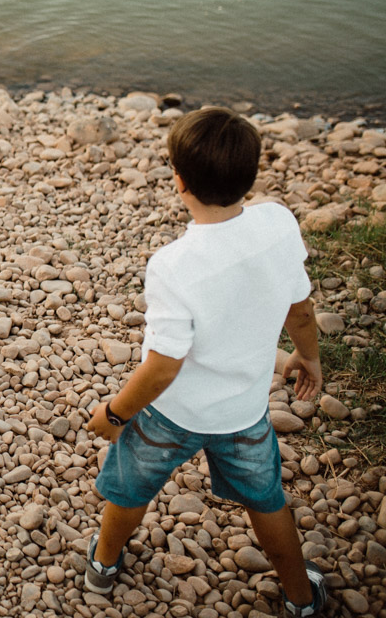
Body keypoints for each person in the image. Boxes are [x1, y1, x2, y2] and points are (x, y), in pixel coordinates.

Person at [84, 107, 327, 617]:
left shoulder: (173, 265)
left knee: (131, 489)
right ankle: (300, 598)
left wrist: (114, 415)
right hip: (244, 415)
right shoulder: (278, 223)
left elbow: (163, 367)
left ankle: (103, 567)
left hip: (171, 414)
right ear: (251, 175)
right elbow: (299, 309)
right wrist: (308, 357)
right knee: (267, 501)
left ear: (179, 181)